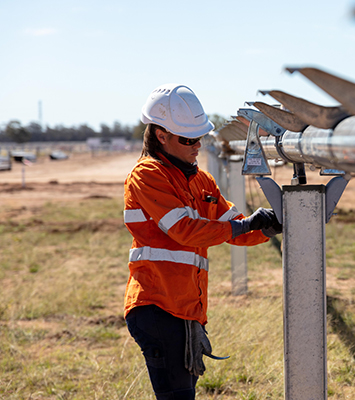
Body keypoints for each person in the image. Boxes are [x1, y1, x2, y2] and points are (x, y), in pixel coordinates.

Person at [123, 83, 281, 399]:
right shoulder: (148, 174)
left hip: (186, 308)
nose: (197, 145)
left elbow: (234, 227)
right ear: (160, 136)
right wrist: (246, 224)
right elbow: (183, 229)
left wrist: (269, 227)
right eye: (188, 139)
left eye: (200, 137)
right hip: (158, 306)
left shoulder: (202, 181)